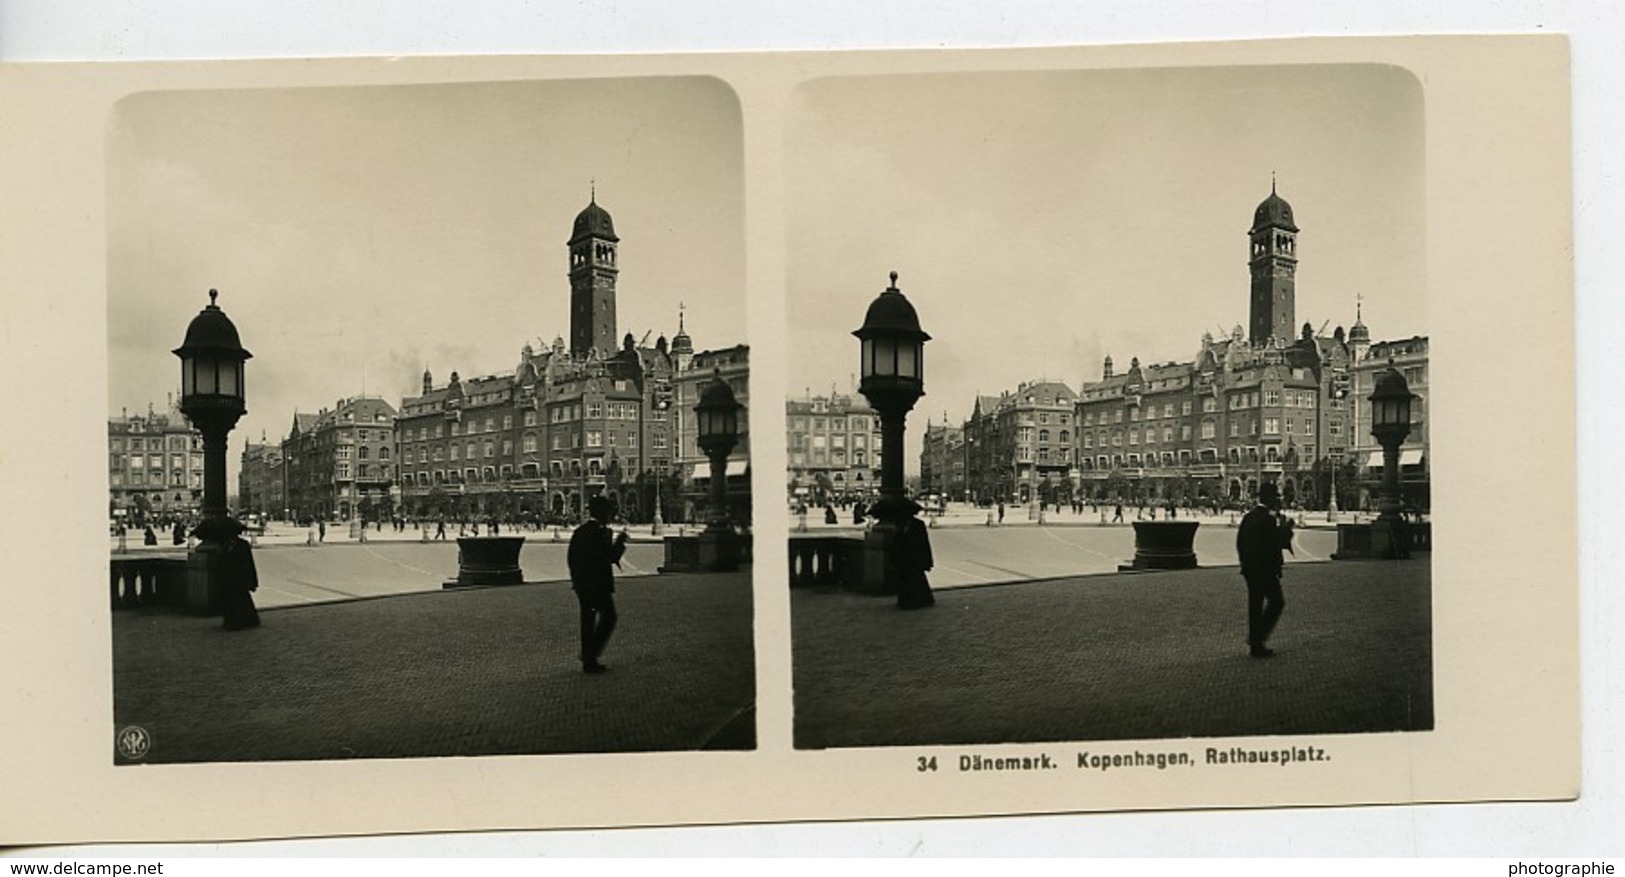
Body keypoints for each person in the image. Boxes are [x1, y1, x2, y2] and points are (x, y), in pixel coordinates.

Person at [568, 495, 629, 674]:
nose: (610, 515)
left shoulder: (581, 531)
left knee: (587, 621)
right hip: (597, 585)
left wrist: (577, 581)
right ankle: (590, 654)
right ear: (602, 512)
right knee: (609, 617)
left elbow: (571, 558)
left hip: (583, 585)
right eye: (609, 511)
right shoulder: (599, 533)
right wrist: (620, 542)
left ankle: (589, 659)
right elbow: (610, 557)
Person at [1236, 481, 1293, 658]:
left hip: (1250, 570)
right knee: (1277, 602)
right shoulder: (1268, 520)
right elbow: (1275, 544)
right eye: (1275, 497)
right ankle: (1257, 638)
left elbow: (1240, 543)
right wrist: (1286, 529)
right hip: (1265, 570)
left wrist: (1245, 564)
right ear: (1269, 499)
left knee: (1255, 605)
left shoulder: (1249, 517)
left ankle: (1256, 644)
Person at [199, 518, 260, 631]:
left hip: (238, 578)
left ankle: (243, 621)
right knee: (230, 601)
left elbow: (248, 563)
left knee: (240, 600)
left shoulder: (242, 545)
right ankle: (231, 621)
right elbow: (220, 563)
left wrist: (251, 581)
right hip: (227, 578)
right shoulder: (223, 546)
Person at [892, 504, 936, 610]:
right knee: (906, 580)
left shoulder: (918, 525)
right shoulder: (899, 524)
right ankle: (905, 601)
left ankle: (919, 601)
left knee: (915, 580)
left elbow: (923, 543)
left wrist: (926, 560)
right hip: (904, 557)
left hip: (914, 557)